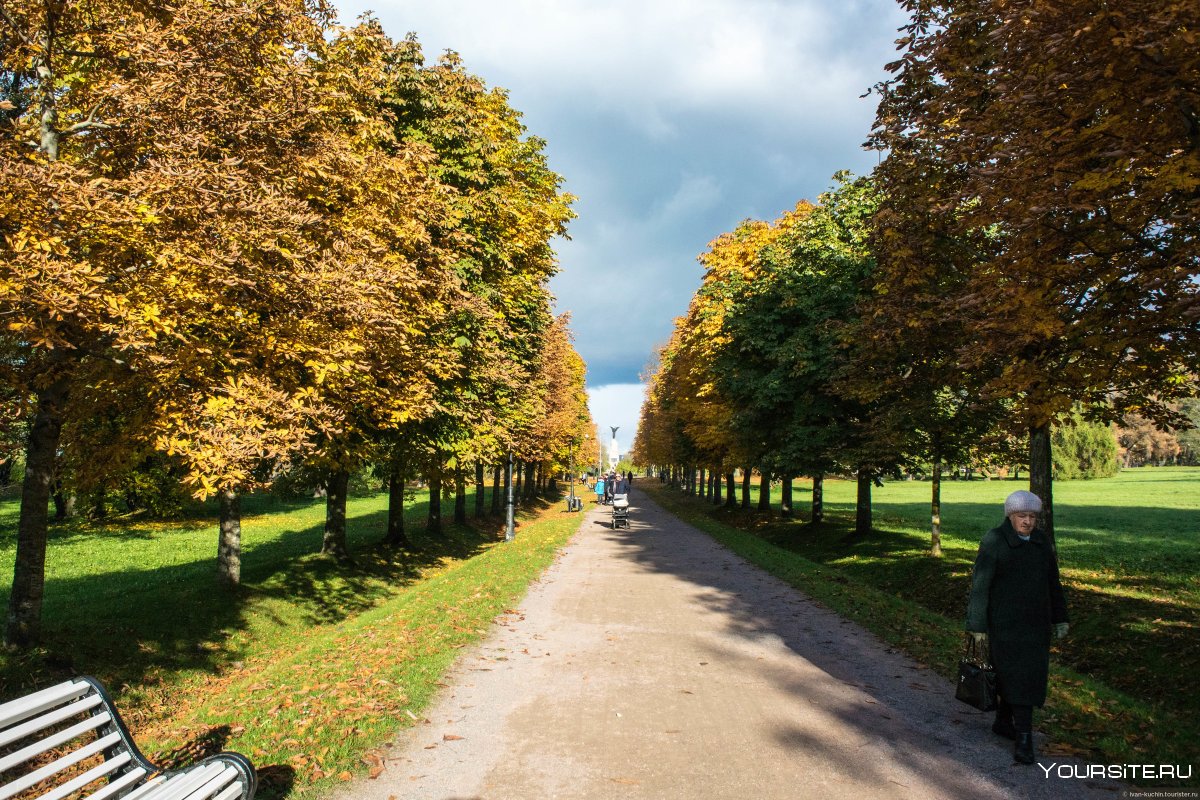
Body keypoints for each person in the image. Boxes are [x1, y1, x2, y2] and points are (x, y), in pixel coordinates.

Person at [965, 489, 1068, 765]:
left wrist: (1060, 617)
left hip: (1036, 625)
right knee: (1016, 675)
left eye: (1032, 516)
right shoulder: (995, 541)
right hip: (1004, 625)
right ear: (1010, 516)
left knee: (1027, 676)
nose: (1027, 521)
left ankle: (1003, 721)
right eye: (1022, 515)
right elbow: (980, 586)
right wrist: (977, 624)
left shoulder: (1042, 542)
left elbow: (1053, 583)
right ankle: (1024, 739)